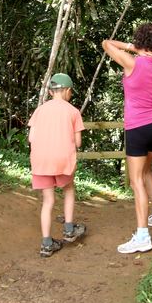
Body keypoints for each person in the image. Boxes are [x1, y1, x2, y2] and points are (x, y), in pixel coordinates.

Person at [102, 23, 152, 254]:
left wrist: (132, 47)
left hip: (139, 127)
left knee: (135, 181)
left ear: (139, 40)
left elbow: (106, 44)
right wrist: (140, 48)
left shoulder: (133, 61)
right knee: (146, 170)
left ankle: (142, 235)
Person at [28, 73, 87, 257]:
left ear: (51, 91)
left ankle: (46, 244)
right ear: (68, 91)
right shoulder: (73, 111)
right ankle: (69, 230)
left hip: (41, 160)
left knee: (48, 201)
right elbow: (78, 143)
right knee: (68, 189)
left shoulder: (39, 110)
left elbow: (31, 138)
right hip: (62, 159)